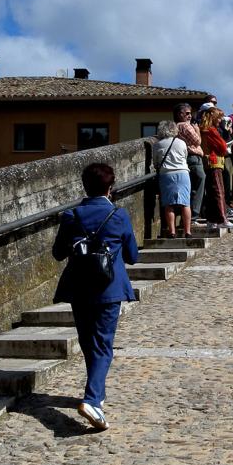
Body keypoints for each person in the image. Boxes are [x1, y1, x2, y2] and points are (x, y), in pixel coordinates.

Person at [52, 163, 139, 431]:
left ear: (84, 186)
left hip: (79, 287)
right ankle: (92, 400)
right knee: (102, 345)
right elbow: (133, 256)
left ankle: (95, 394)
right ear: (110, 188)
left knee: (89, 343)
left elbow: (57, 253)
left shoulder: (71, 216)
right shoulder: (118, 215)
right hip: (108, 288)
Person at [153, 120, 191, 238]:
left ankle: (172, 231)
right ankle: (187, 232)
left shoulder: (158, 145)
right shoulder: (181, 142)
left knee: (169, 204)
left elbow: (155, 162)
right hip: (183, 173)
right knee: (185, 203)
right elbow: (185, 157)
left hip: (167, 174)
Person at [201, 107, 233, 229]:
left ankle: (212, 219)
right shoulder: (211, 130)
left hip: (209, 161)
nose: (221, 120)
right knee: (218, 191)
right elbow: (222, 146)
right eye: (219, 117)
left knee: (212, 192)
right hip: (215, 161)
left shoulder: (204, 129)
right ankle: (222, 218)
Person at [174, 103, 206, 222]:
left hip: (184, 158)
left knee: (190, 186)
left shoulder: (175, 126)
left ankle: (188, 215)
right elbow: (197, 141)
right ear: (180, 114)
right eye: (187, 113)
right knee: (200, 182)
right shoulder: (185, 126)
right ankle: (194, 215)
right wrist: (197, 130)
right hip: (193, 157)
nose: (190, 116)